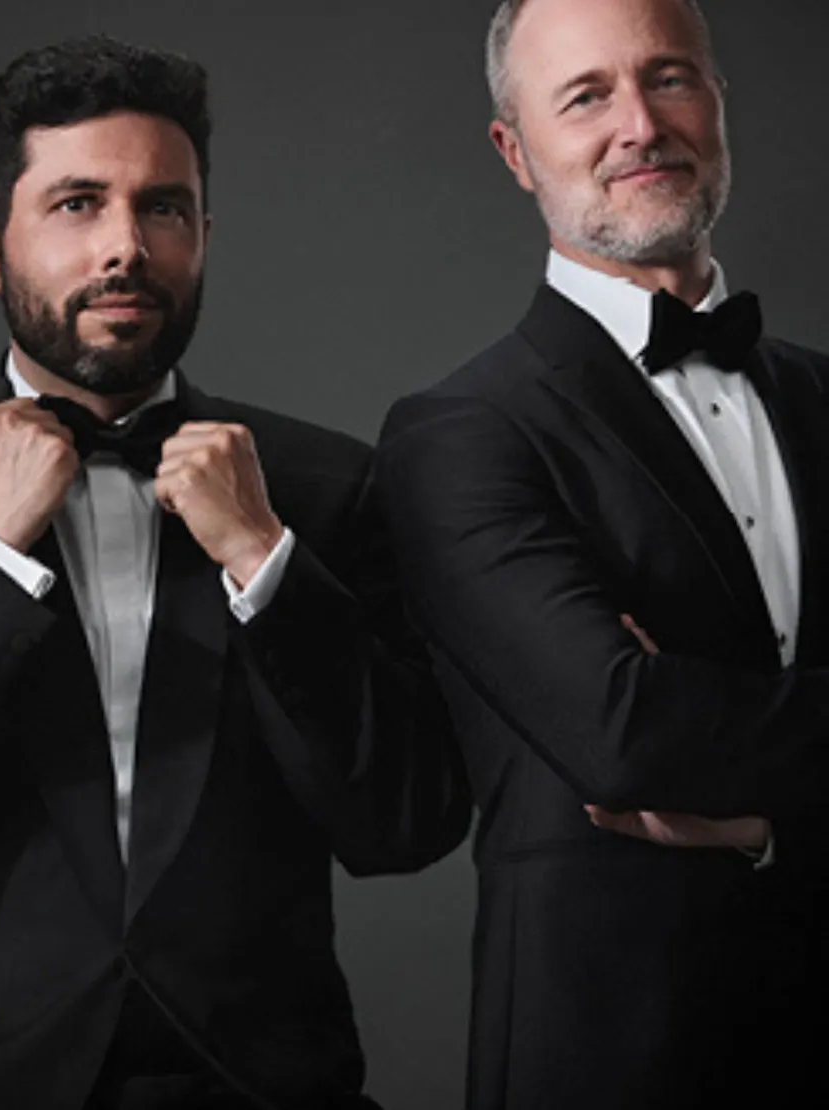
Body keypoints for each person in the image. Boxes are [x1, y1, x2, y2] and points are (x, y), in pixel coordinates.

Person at [0, 35, 471, 1110]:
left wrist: (262, 554)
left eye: (162, 208)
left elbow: (408, 824)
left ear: (202, 235)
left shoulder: (330, 490)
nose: (125, 248)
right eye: (75, 204)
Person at [377, 0, 829, 1105]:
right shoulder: (460, 433)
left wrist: (758, 810)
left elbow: (664, 720)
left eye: (667, 78)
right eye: (585, 95)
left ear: (716, 104)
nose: (638, 124)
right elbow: (622, 731)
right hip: (611, 1056)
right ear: (514, 151)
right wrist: (663, 718)